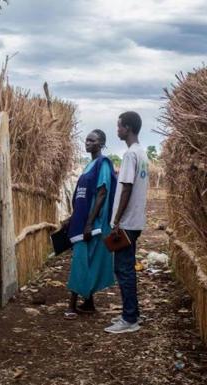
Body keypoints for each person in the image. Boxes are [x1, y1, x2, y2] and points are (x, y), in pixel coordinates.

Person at [64, 129, 117, 320]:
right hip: (83, 221)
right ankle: (88, 303)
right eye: (86, 139)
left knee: (81, 259)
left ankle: (71, 305)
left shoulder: (103, 163)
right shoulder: (90, 165)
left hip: (93, 224)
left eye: (92, 140)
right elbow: (83, 195)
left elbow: (102, 193)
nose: (87, 143)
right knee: (89, 258)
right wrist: (74, 216)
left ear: (101, 143)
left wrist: (88, 223)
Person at [105, 111, 149, 334]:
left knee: (123, 269)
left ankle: (129, 319)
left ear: (128, 128)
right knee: (126, 267)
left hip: (127, 223)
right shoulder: (142, 153)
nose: (118, 130)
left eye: (119, 126)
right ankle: (131, 314)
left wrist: (116, 220)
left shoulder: (131, 155)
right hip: (136, 221)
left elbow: (127, 188)